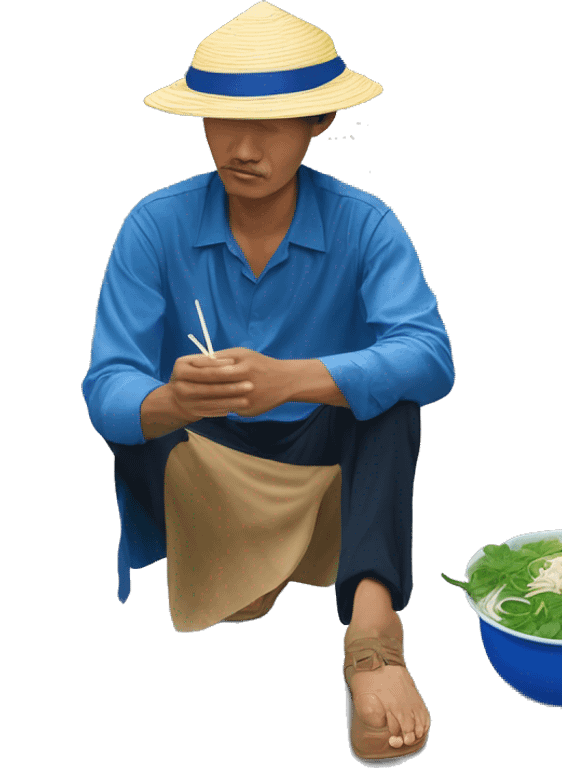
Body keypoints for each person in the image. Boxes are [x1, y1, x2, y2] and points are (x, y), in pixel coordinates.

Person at [81, 2, 453, 760]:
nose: (240, 147)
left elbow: (432, 357)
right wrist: (170, 399)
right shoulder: (154, 223)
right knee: (140, 418)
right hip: (204, 457)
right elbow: (104, 389)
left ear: (320, 121)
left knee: (388, 399)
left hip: (318, 450)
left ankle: (374, 634)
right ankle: (233, 564)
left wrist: (296, 379)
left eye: (274, 123)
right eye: (219, 121)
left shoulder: (367, 222)